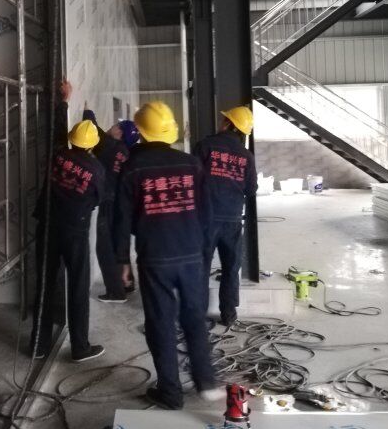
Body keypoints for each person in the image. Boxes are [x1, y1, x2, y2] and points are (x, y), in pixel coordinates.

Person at [115, 101, 221, 410]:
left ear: (141, 132)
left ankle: (171, 393)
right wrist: (202, 250)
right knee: (194, 318)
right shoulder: (191, 164)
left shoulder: (132, 168)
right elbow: (207, 213)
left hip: (155, 256)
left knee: (160, 322)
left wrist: (122, 261)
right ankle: (206, 383)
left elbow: (121, 220)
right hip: (191, 253)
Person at [30, 80, 106, 362]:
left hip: (48, 227)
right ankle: (79, 347)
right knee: (78, 287)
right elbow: (98, 200)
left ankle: (38, 345)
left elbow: (57, 128)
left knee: (45, 285)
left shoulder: (58, 152)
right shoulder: (96, 170)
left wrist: (64, 101)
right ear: (93, 145)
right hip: (75, 233)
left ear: (73, 139)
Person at [194, 106, 257, 326]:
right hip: (232, 219)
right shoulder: (246, 156)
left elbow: (191, 178)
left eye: (225, 119)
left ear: (229, 124)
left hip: (206, 218)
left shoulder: (205, 146)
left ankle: (197, 315)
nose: (221, 122)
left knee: (201, 266)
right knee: (231, 268)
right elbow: (251, 189)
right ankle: (228, 314)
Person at [82, 110, 139, 303]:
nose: (113, 126)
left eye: (117, 125)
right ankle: (127, 283)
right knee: (119, 243)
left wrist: (88, 111)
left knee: (104, 247)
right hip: (123, 203)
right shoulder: (125, 152)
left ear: (120, 133)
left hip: (108, 202)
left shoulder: (109, 145)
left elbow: (91, 128)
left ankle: (116, 292)